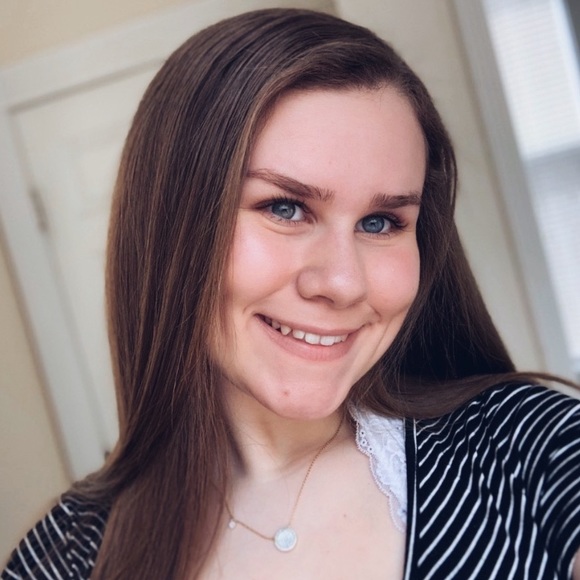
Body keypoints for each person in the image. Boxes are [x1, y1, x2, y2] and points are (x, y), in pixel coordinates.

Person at [3, 8, 580, 580]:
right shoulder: (65, 557)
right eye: (284, 208)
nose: (343, 282)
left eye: (380, 222)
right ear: (170, 227)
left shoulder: (533, 448)